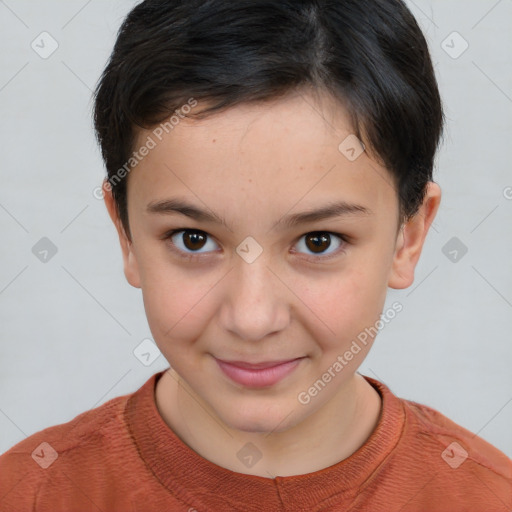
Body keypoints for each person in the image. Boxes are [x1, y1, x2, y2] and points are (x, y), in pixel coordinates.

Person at [1, 0, 511, 510]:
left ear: (410, 236)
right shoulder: (27, 494)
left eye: (318, 241)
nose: (251, 318)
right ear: (126, 234)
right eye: (193, 239)